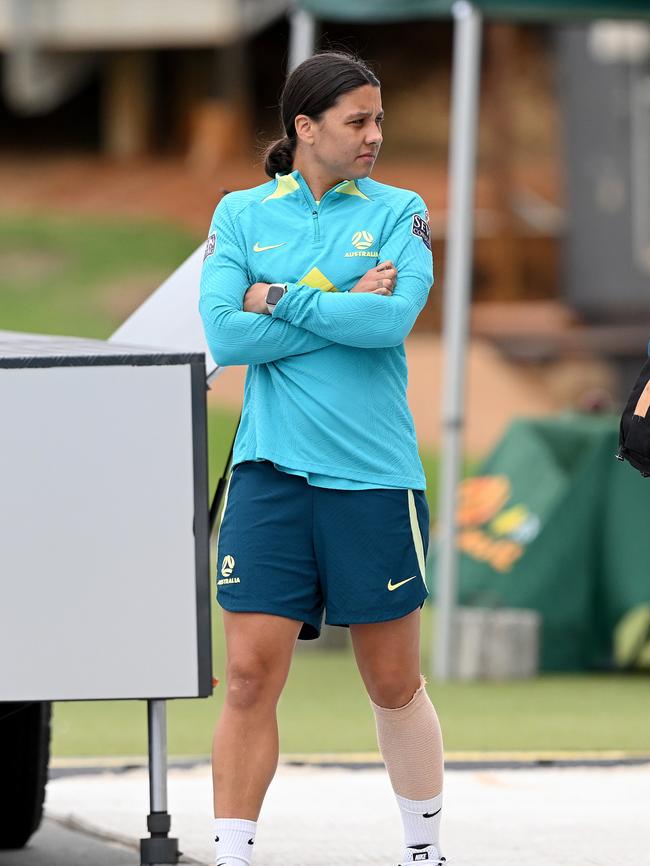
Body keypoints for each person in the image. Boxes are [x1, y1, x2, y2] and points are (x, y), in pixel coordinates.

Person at [199, 50, 445, 866]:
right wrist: (340, 300)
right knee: (245, 677)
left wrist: (278, 296)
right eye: (358, 121)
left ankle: (424, 850)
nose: (375, 135)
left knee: (392, 684)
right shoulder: (238, 215)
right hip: (270, 477)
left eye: (379, 119)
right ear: (304, 128)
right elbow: (225, 336)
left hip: (374, 480)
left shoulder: (403, 209)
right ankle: (232, 854)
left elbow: (389, 325)